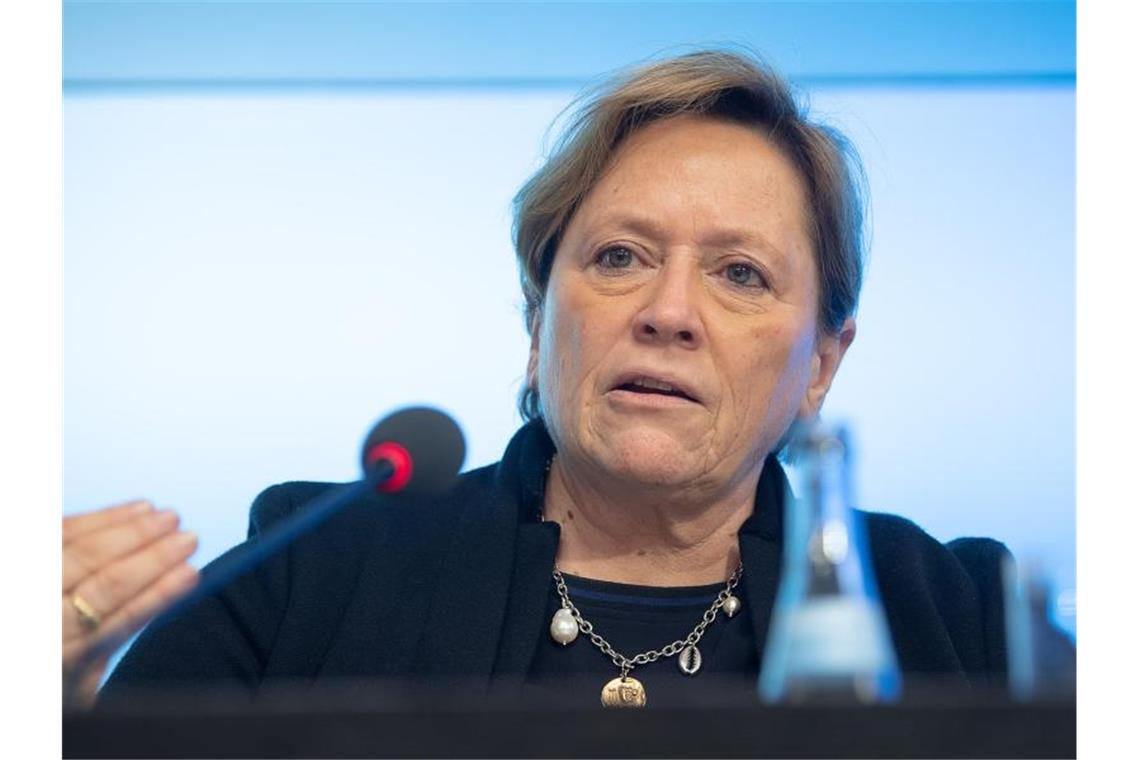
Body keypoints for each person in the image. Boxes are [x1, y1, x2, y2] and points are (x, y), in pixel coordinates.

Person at [63, 50, 1010, 710]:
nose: (668, 311)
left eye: (740, 274)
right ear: (535, 324)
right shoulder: (312, 574)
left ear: (821, 365)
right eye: (619, 257)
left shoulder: (958, 616)